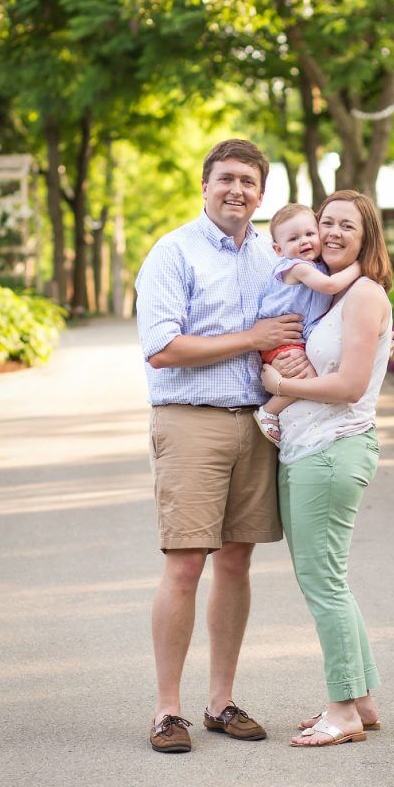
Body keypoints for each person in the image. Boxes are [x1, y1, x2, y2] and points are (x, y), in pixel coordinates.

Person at [135, 138, 304, 754]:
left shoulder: (272, 255)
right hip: (190, 420)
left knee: (237, 561)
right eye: (226, 178)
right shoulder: (172, 253)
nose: (237, 190)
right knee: (186, 563)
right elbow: (161, 346)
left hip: (259, 423)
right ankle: (166, 711)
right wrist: (249, 336)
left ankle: (220, 702)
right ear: (205, 185)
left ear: (263, 194)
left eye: (249, 182)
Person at [261, 189, 392, 747]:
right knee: (330, 581)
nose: (332, 233)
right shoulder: (334, 298)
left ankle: (342, 711)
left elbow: (350, 386)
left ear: (366, 239)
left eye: (346, 226)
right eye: (326, 222)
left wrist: (281, 387)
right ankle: (361, 699)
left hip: (332, 449)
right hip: (309, 448)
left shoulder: (363, 294)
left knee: (323, 584)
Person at [253, 201, 361, 444]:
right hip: (281, 340)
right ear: (278, 249)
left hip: (294, 337)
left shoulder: (318, 265)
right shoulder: (298, 267)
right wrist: (359, 266)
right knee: (309, 375)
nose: (304, 241)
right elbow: (330, 286)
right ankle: (270, 410)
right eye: (293, 239)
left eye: (310, 234)